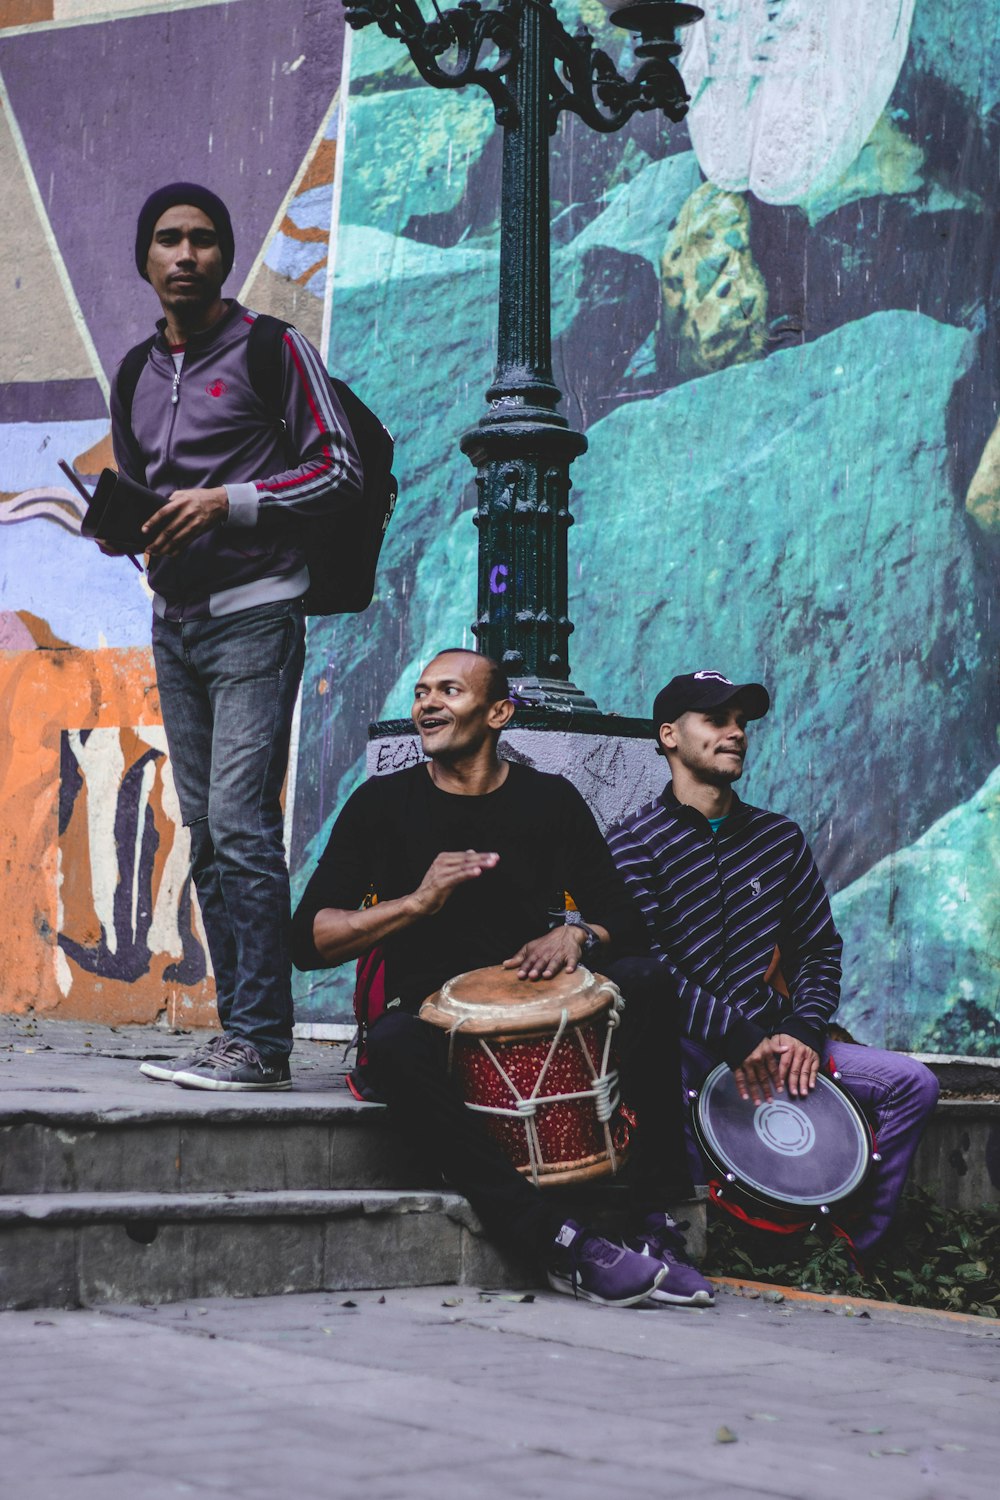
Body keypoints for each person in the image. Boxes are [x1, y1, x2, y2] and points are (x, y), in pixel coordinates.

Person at [291, 648, 716, 1308]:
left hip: (530, 1008)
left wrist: (577, 934)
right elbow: (308, 941)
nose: (428, 703)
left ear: (497, 713)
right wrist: (415, 903)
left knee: (648, 980)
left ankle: (652, 1215)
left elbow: (624, 919)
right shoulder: (381, 804)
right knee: (397, 1043)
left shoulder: (549, 800)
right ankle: (556, 1240)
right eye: (422, 692)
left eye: (449, 692)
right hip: (428, 1017)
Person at [105, 182, 363, 1091]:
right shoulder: (135, 372)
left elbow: (339, 466)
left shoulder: (270, 347)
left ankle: (261, 1042)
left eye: (205, 240)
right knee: (210, 836)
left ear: (225, 256)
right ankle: (240, 1032)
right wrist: (126, 527)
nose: (186, 255)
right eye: (168, 240)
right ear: (146, 260)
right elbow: (140, 491)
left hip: (257, 612)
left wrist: (228, 500)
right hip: (173, 626)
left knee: (245, 829)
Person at [606, 670, 939, 1264]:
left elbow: (818, 950)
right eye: (716, 720)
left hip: (781, 1042)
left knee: (912, 1084)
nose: (736, 733)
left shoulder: (778, 838)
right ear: (669, 737)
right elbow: (649, 965)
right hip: (692, 1047)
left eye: (742, 723)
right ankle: (692, 1235)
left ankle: (856, 1246)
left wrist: (803, 1030)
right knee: (654, 1051)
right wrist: (734, 1036)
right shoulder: (632, 844)